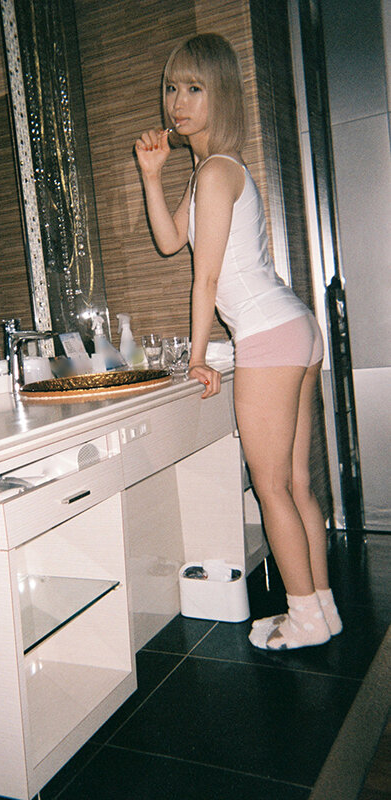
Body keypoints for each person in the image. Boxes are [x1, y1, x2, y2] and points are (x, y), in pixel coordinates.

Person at [135, 33, 342, 650]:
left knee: (271, 485)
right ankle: (322, 610)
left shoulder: (217, 170)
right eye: (172, 88)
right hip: (293, 327)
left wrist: (198, 357)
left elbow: (204, 277)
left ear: (221, 94)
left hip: (267, 334)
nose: (178, 102)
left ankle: (302, 619)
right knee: (295, 484)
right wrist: (151, 175)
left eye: (195, 88)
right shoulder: (213, 171)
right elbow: (171, 241)